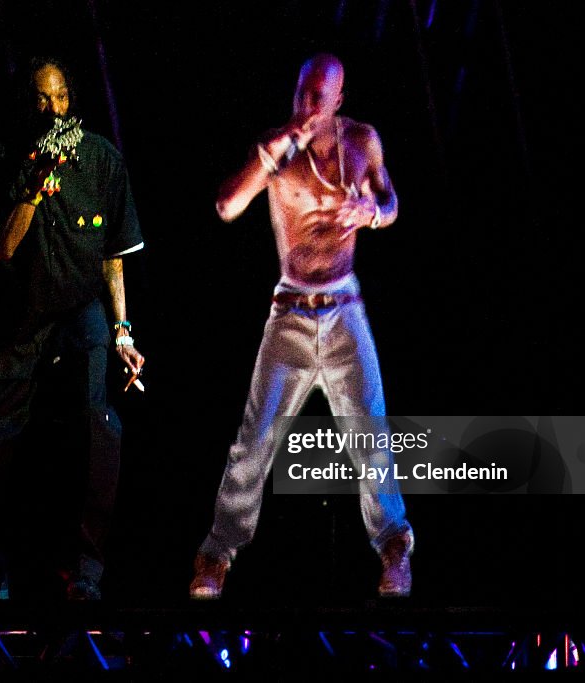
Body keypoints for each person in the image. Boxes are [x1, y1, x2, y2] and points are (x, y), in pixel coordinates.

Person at [189, 53, 414, 599]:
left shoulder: (362, 142)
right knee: (255, 437)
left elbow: (390, 199)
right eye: (301, 94)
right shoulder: (277, 149)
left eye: (319, 96)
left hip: (344, 308)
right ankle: (217, 554)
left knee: (370, 433)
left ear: (339, 98)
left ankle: (394, 550)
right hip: (290, 311)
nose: (307, 106)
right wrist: (272, 154)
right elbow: (225, 205)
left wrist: (373, 214)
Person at [0, 56, 145, 601]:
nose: (52, 109)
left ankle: (84, 575)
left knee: (95, 422)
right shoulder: (1, 160)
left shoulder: (101, 159)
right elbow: (0, 248)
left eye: (59, 98)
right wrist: (33, 185)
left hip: (80, 309)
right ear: (26, 104)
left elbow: (114, 255)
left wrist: (123, 328)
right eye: (41, 99)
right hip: (20, 316)